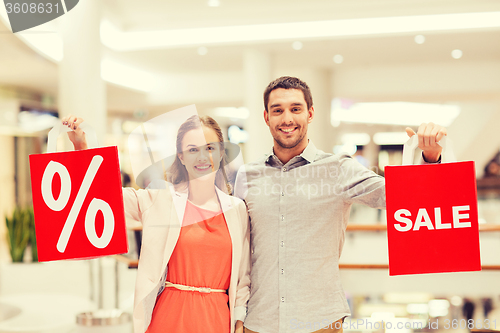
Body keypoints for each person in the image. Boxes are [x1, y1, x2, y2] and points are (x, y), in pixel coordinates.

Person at [234, 76, 446, 333]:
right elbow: (239, 252)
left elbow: (401, 197)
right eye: (277, 110)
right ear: (266, 117)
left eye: (296, 109)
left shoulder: (338, 169)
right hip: (258, 322)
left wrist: (429, 156)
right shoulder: (248, 175)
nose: (287, 118)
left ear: (310, 113)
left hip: (320, 321)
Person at [63, 114, 251, 333]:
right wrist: (81, 147)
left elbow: (243, 278)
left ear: (220, 153)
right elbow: (104, 195)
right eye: (192, 149)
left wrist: (240, 320)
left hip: (215, 319)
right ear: (180, 156)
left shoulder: (236, 209)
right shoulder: (160, 199)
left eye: (209, 148)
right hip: (168, 318)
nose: (202, 157)